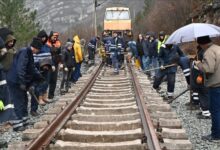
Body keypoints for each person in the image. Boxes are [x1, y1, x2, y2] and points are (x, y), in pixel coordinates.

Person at [7, 37, 44, 131]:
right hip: (15, 81)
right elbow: (21, 68)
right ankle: (17, 125)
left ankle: (24, 120)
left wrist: (39, 77)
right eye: (38, 50)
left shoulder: (29, 52)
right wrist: (23, 82)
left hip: (20, 80)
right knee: (18, 101)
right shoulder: (25, 51)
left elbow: (31, 68)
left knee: (24, 99)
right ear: (35, 48)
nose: (38, 52)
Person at [194, 35, 220, 141]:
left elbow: (208, 69)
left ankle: (216, 135)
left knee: (215, 110)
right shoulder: (218, 48)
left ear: (202, 44)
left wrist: (199, 64)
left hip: (216, 85)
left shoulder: (209, 52)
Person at [47, 31, 62, 99]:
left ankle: (51, 95)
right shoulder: (47, 44)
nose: (55, 38)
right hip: (48, 64)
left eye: (56, 37)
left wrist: (60, 63)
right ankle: (43, 95)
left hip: (55, 64)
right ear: (50, 36)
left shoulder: (58, 43)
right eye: (54, 37)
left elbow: (60, 54)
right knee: (47, 80)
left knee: (54, 80)